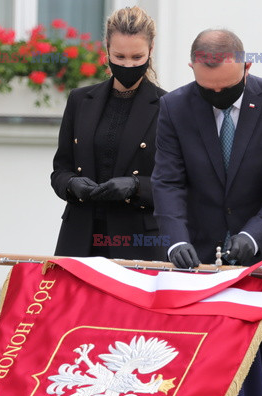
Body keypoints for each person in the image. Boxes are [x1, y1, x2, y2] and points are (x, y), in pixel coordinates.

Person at [151, 29, 262, 383]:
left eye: (227, 88)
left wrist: (252, 235)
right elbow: (168, 181)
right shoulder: (174, 107)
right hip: (198, 258)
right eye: (208, 89)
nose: (218, 96)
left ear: (247, 67)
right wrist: (176, 239)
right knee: (199, 373)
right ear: (192, 68)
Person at [51, 6, 167, 261]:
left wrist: (136, 187)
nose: (128, 64)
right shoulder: (80, 100)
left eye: (137, 57)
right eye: (120, 56)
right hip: (79, 238)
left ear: (151, 50)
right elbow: (60, 170)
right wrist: (72, 185)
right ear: (106, 49)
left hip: (138, 242)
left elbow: (179, 184)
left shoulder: (169, 107)